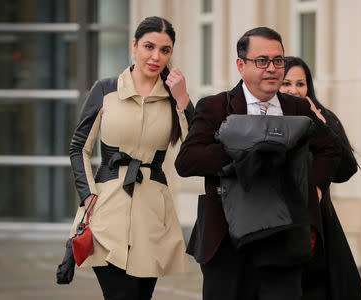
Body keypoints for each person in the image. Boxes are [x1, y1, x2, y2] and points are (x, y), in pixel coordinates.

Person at [175, 27, 341, 300]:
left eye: (278, 61)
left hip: (284, 238)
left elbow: (330, 148)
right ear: (241, 65)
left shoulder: (296, 108)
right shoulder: (216, 107)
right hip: (227, 241)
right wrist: (250, 149)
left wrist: (315, 191)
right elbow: (187, 160)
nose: (272, 69)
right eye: (262, 61)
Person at [57, 16, 194, 300]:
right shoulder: (105, 90)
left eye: (165, 50)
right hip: (106, 212)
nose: (156, 57)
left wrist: (183, 100)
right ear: (134, 46)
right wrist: (87, 194)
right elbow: (79, 146)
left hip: (153, 218)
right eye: (149, 46)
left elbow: (195, 150)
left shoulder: (172, 97)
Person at [280, 56, 361, 300]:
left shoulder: (321, 116)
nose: (294, 90)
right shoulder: (266, 119)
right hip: (276, 220)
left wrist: (324, 126)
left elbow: (346, 170)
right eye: (287, 83)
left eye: (301, 83)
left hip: (319, 221)